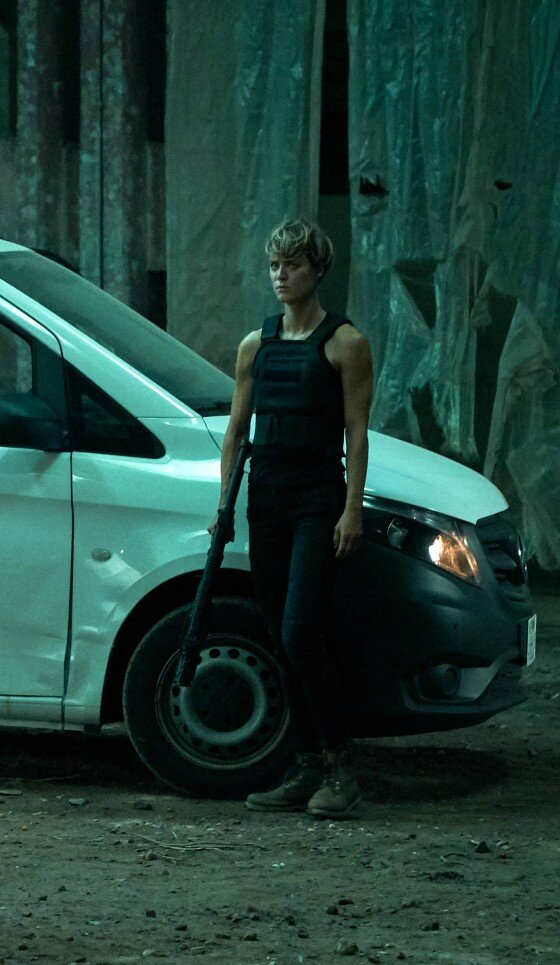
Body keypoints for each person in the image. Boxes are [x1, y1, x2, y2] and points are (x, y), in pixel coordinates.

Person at [219, 219, 374, 819]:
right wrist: (224, 507)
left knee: (300, 632)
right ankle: (306, 766)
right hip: (268, 501)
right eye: (274, 265)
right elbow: (237, 431)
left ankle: (341, 768)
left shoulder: (345, 343)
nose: (280, 275)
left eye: (293, 264)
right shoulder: (255, 346)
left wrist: (351, 509)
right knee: (277, 634)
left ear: (317, 270)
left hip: (317, 501)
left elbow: (357, 433)